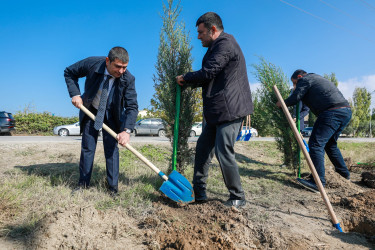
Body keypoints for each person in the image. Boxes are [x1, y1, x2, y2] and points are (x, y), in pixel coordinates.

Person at [176, 12, 253, 208]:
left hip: (231, 109)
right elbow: (211, 77)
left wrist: (186, 77)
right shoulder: (215, 48)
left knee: (223, 152)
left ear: (213, 30)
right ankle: (199, 195)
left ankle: (237, 197)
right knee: (202, 151)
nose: (198, 36)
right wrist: (190, 82)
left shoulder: (226, 43)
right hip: (216, 112)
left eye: (201, 32)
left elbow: (210, 71)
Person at [64, 47, 138, 196]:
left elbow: (132, 106)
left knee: (111, 150)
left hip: (112, 116)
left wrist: (126, 130)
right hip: (91, 110)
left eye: (124, 67)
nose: (121, 71)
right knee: (87, 148)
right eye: (118, 66)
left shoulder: (128, 79)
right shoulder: (93, 63)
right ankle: (83, 185)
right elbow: (69, 72)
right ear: (107, 61)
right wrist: (76, 94)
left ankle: (113, 189)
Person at [276, 69, 352, 192]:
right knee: (330, 145)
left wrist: (281, 103)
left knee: (315, 144)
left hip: (331, 111)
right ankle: (344, 175)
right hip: (345, 111)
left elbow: (296, 97)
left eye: (294, 83)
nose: (295, 86)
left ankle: (317, 182)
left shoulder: (305, 79)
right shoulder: (317, 78)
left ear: (299, 76)